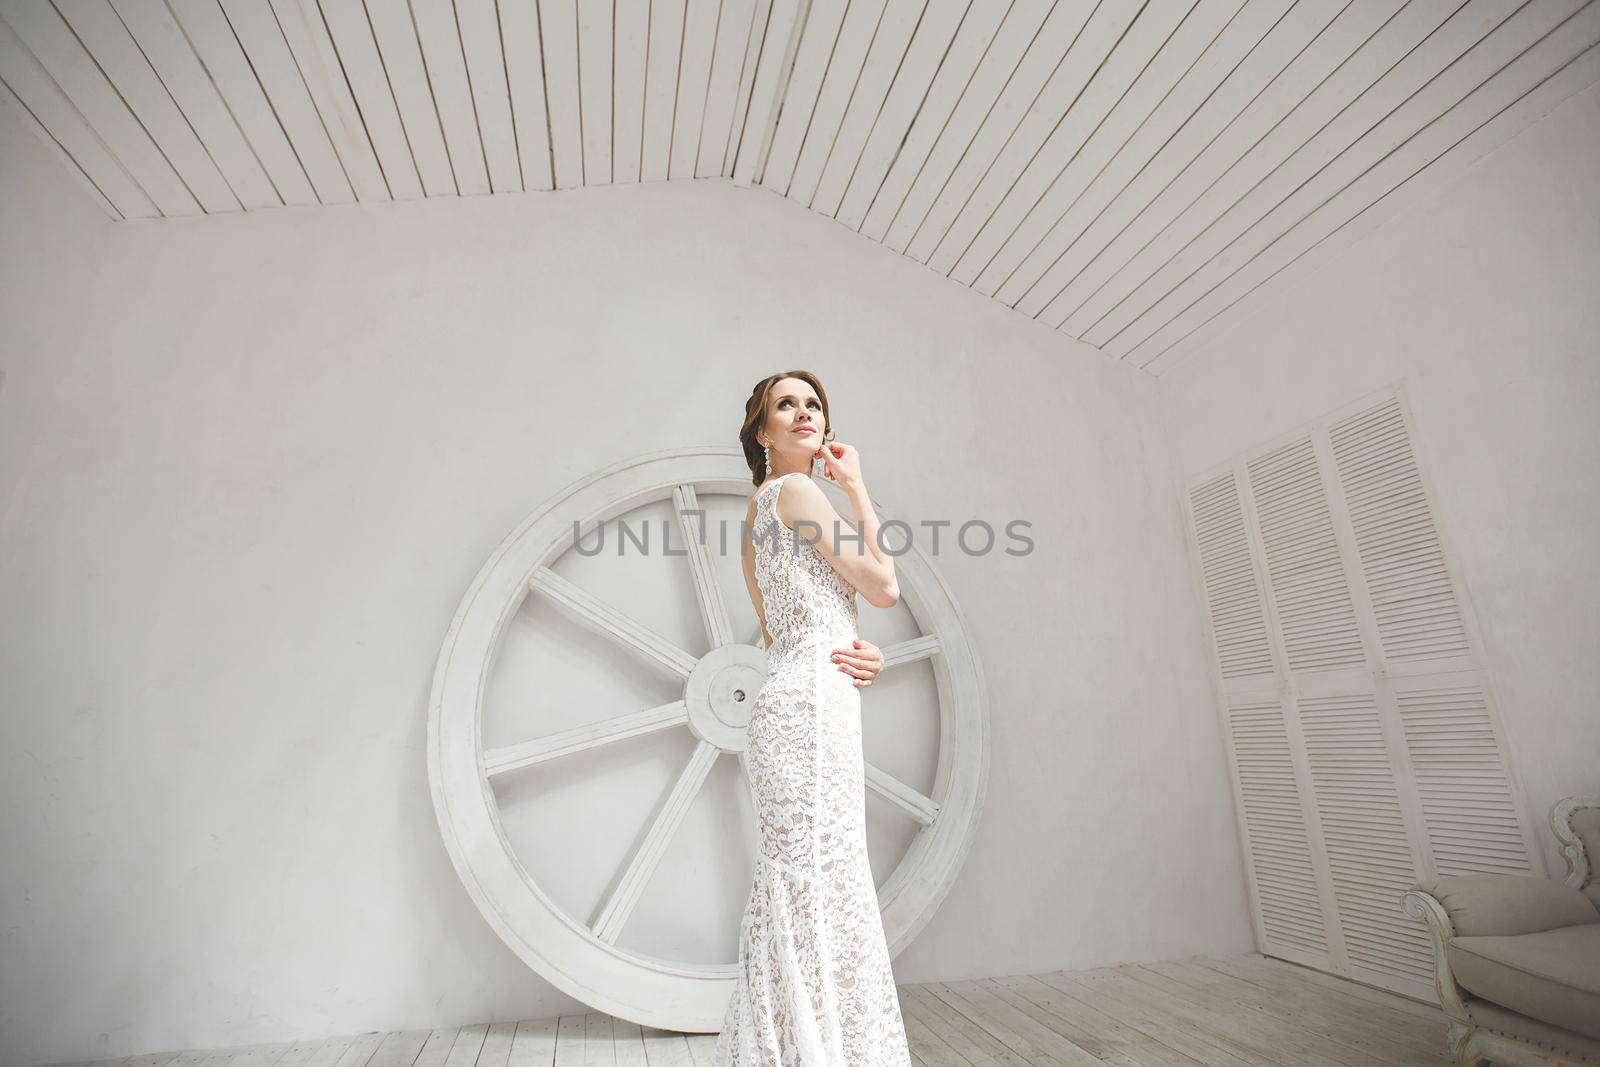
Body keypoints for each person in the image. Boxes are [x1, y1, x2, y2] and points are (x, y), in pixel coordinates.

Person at [716, 371, 913, 1064]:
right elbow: (884, 587)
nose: (804, 413)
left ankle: (794, 1050)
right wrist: (856, 484)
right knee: (820, 879)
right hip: (811, 708)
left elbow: (789, 629)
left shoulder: (755, 517)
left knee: (801, 877)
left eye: (814, 403)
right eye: (785, 405)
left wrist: (860, 654)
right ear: (763, 432)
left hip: (794, 698)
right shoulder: (799, 491)